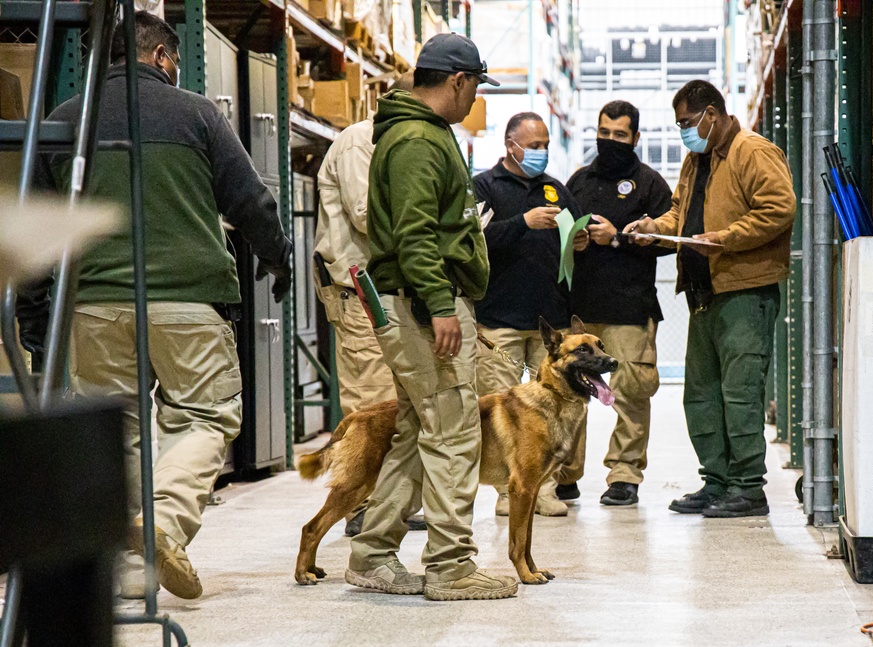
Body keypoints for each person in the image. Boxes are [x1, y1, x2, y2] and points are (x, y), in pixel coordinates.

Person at [17, 12, 292, 598]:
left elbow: (34, 234)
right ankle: (162, 524)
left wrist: (37, 322)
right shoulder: (197, 113)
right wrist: (279, 260)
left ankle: (128, 569)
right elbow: (251, 201)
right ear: (164, 57)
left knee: (115, 428)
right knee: (206, 415)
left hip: (92, 307)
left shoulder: (65, 120)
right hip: (188, 302)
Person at [345, 33, 519, 601]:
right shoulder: (419, 139)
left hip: (412, 302)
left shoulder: (418, 132)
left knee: (417, 430)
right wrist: (441, 306)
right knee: (452, 432)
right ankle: (451, 567)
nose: (475, 100)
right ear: (457, 81)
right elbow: (414, 234)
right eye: (475, 88)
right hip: (424, 306)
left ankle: (372, 556)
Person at [628, 80, 796, 518]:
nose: (684, 130)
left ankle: (748, 488)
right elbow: (681, 213)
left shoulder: (753, 151)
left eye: (687, 122)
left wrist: (724, 239)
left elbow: (779, 209)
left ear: (712, 114)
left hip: (743, 289)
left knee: (739, 394)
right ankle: (717, 481)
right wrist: (653, 228)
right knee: (702, 395)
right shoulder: (696, 160)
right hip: (704, 293)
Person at [312, 71, 425, 537]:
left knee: (394, 401)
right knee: (369, 400)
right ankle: (359, 506)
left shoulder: (395, 143)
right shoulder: (363, 141)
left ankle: (381, 501)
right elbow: (365, 215)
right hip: (359, 291)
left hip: (385, 290)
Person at [557, 101, 674, 507]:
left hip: (629, 308)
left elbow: (670, 242)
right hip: (581, 309)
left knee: (630, 393)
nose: (609, 141)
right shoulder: (579, 180)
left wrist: (618, 239)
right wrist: (576, 240)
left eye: (619, 135)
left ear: (635, 138)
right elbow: (561, 233)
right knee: (570, 393)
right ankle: (565, 474)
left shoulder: (650, 184)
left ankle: (624, 476)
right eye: (603, 133)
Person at [472, 111, 588, 518]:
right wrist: (522, 222)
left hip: (550, 325)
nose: (540, 153)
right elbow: (473, 241)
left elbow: (574, 230)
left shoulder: (554, 189)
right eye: (533, 146)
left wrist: (581, 238)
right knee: (503, 414)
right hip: (499, 316)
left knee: (555, 410)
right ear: (510, 145)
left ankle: (544, 489)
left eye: (545, 146)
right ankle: (507, 490)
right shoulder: (483, 186)